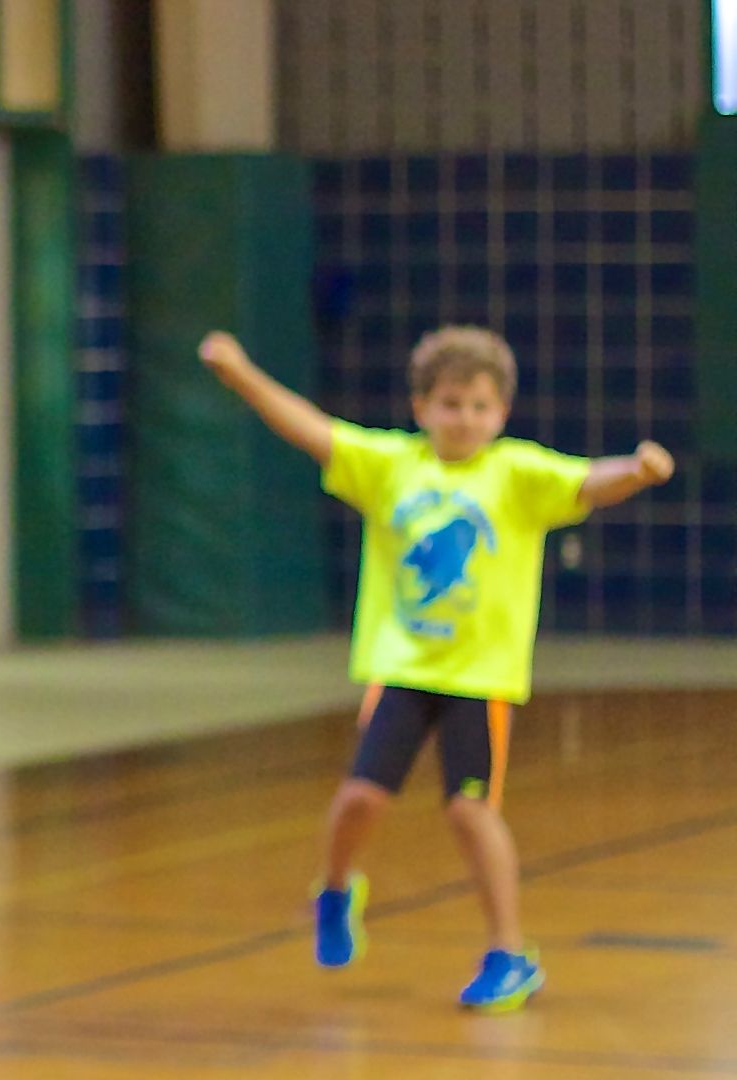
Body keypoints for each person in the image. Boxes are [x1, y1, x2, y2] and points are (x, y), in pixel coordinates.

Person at [199, 325, 675, 1011]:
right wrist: (241, 373)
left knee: (469, 811)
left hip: (478, 678)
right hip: (401, 666)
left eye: (480, 407)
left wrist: (636, 471)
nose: (466, 419)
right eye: (451, 404)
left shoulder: (515, 474)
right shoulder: (390, 465)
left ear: (501, 414)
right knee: (361, 797)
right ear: (421, 407)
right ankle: (335, 889)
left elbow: (588, 481)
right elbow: (311, 430)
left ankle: (510, 955)